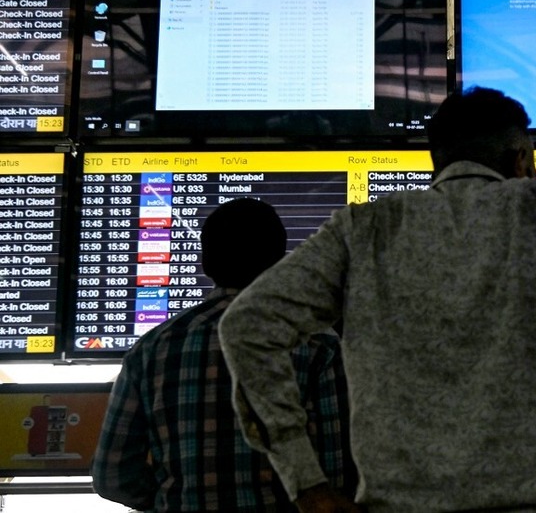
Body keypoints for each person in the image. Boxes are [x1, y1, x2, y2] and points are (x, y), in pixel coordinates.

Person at [219, 87, 536, 512]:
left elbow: (249, 325)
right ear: (522, 158)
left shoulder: (363, 231)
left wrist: (306, 483)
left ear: (435, 162)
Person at [92, 197, 354, 512]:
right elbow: (340, 468)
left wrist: (169, 498)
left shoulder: (151, 350)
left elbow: (112, 476)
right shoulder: (320, 346)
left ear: (206, 263)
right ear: (281, 265)